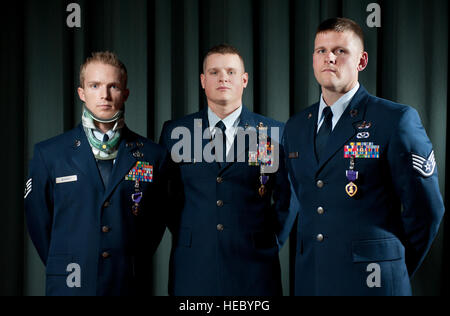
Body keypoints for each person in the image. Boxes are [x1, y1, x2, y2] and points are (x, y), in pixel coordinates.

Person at [283, 17, 445, 296]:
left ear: (362, 61)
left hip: (375, 283)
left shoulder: (395, 120)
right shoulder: (296, 126)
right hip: (313, 280)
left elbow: (427, 211)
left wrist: (391, 264)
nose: (329, 58)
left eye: (340, 51)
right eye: (321, 51)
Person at [24, 51, 168, 296]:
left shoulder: (153, 155)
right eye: (95, 85)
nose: (104, 95)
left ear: (125, 94)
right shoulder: (50, 154)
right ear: (81, 93)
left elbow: (154, 224)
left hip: (126, 283)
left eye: (113, 86)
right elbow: (38, 221)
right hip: (69, 283)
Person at [159, 44, 293, 296]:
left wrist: (272, 239)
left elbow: (288, 196)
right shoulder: (175, 132)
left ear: (244, 80)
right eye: (214, 72)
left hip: (254, 265)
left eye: (231, 72)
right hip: (194, 263)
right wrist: (193, 229)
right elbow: (166, 197)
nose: (223, 77)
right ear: (202, 80)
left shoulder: (274, 133)